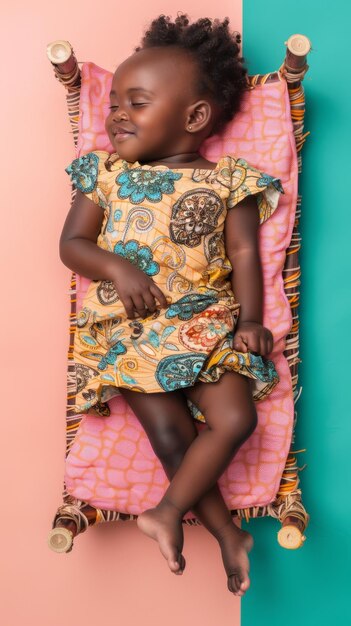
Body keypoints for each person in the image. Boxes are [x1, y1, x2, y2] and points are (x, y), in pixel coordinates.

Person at [60, 14, 284, 596]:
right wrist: (117, 266)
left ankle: (166, 512)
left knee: (236, 419)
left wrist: (253, 322)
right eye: (113, 104)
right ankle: (224, 531)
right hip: (128, 329)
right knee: (170, 435)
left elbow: (242, 253)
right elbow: (73, 245)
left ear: (195, 117)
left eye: (136, 102)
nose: (116, 115)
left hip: (205, 322)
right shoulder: (105, 175)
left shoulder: (229, 181)